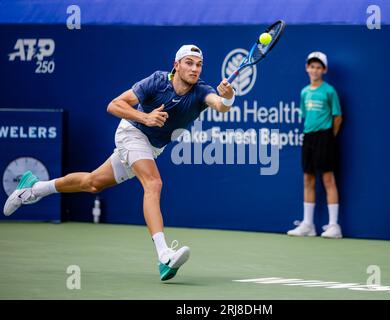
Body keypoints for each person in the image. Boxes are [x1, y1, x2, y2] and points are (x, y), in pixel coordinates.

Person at [3, 44, 235, 280]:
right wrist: (146, 116)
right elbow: (114, 105)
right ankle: (164, 255)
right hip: (131, 134)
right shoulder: (157, 81)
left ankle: (32, 188)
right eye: (189, 63)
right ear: (176, 65)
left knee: (93, 183)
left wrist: (228, 96)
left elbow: (220, 105)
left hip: (152, 148)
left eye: (198, 65)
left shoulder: (201, 91)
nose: (194, 69)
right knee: (153, 183)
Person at [287, 51, 343, 239]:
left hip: (325, 137)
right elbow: (304, 115)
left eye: (319, 67)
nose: (315, 70)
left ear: (324, 70)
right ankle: (308, 225)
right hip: (308, 137)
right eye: (312, 66)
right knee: (308, 179)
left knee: (328, 180)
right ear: (307, 68)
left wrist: (328, 138)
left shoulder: (329, 91)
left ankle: (334, 226)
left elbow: (337, 117)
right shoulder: (304, 92)